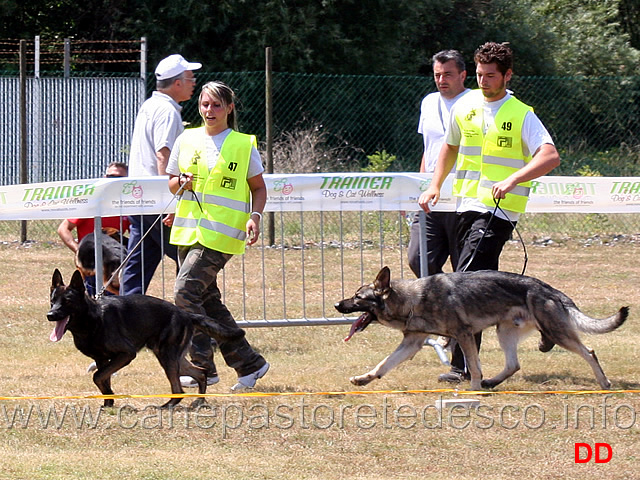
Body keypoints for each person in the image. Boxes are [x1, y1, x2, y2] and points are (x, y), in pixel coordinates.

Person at [418, 42, 561, 383]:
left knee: (463, 283)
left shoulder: (521, 113)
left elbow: (550, 156)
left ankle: (461, 367)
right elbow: (450, 147)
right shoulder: (465, 105)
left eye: (490, 76)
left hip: (498, 212)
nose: (483, 81)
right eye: (480, 74)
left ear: (507, 75)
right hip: (466, 205)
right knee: (481, 286)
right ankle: (545, 321)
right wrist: (436, 184)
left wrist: (514, 177)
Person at [167, 81, 269, 391]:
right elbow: (171, 182)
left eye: (216, 105)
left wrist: (255, 217)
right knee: (208, 303)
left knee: (184, 294)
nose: (209, 111)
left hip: (222, 234)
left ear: (229, 108)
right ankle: (249, 363)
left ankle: (201, 366)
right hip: (187, 231)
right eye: (204, 104)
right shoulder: (186, 139)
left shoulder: (242, 143)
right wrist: (179, 184)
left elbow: (258, 188)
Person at [121, 54, 201, 295]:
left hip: (140, 200)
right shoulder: (167, 112)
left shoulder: (149, 106)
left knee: (137, 267)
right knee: (189, 258)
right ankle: (192, 314)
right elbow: (162, 155)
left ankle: (123, 320)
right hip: (159, 202)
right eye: (190, 77)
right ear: (177, 83)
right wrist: (172, 202)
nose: (194, 81)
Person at [408, 50, 470, 277]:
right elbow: (429, 148)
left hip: (463, 196)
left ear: (463, 75)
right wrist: (421, 186)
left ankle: (460, 306)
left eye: (448, 74)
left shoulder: (476, 102)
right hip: (431, 196)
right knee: (419, 259)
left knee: (466, 268)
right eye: (437, 75)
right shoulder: (428, 102)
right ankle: (444, 299)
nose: (442, 80)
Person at [57, 161, 130, 296]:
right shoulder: (91, 202)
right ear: (104, 178)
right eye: (110, 177)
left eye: (119, 178)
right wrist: (78, 249)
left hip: (115, 263)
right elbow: (63, 229)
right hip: (92, 262)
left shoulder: (129, 204)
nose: (114, 181)